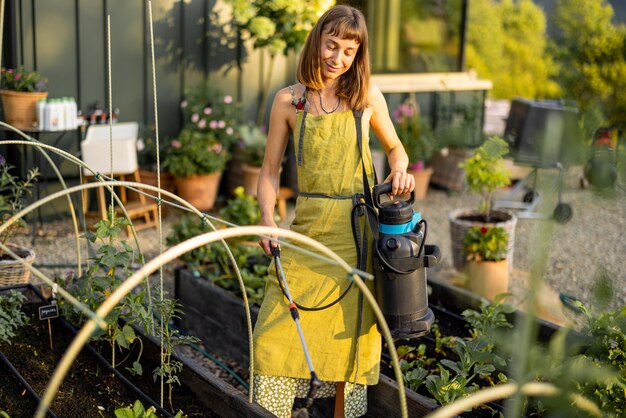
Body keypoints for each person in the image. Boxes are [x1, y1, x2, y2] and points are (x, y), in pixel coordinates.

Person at [253, 5, 415, 418]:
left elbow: (397, 149)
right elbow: (269, 171)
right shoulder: (289, 101)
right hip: (306, 234)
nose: (337, 58)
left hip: (356, 238)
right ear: (318, 41)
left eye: (349, 50)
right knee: (272, 340)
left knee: (351, 350)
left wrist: (399, 169)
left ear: (358, 55)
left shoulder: (365, 97)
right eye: (331, 45)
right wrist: (268, 221)